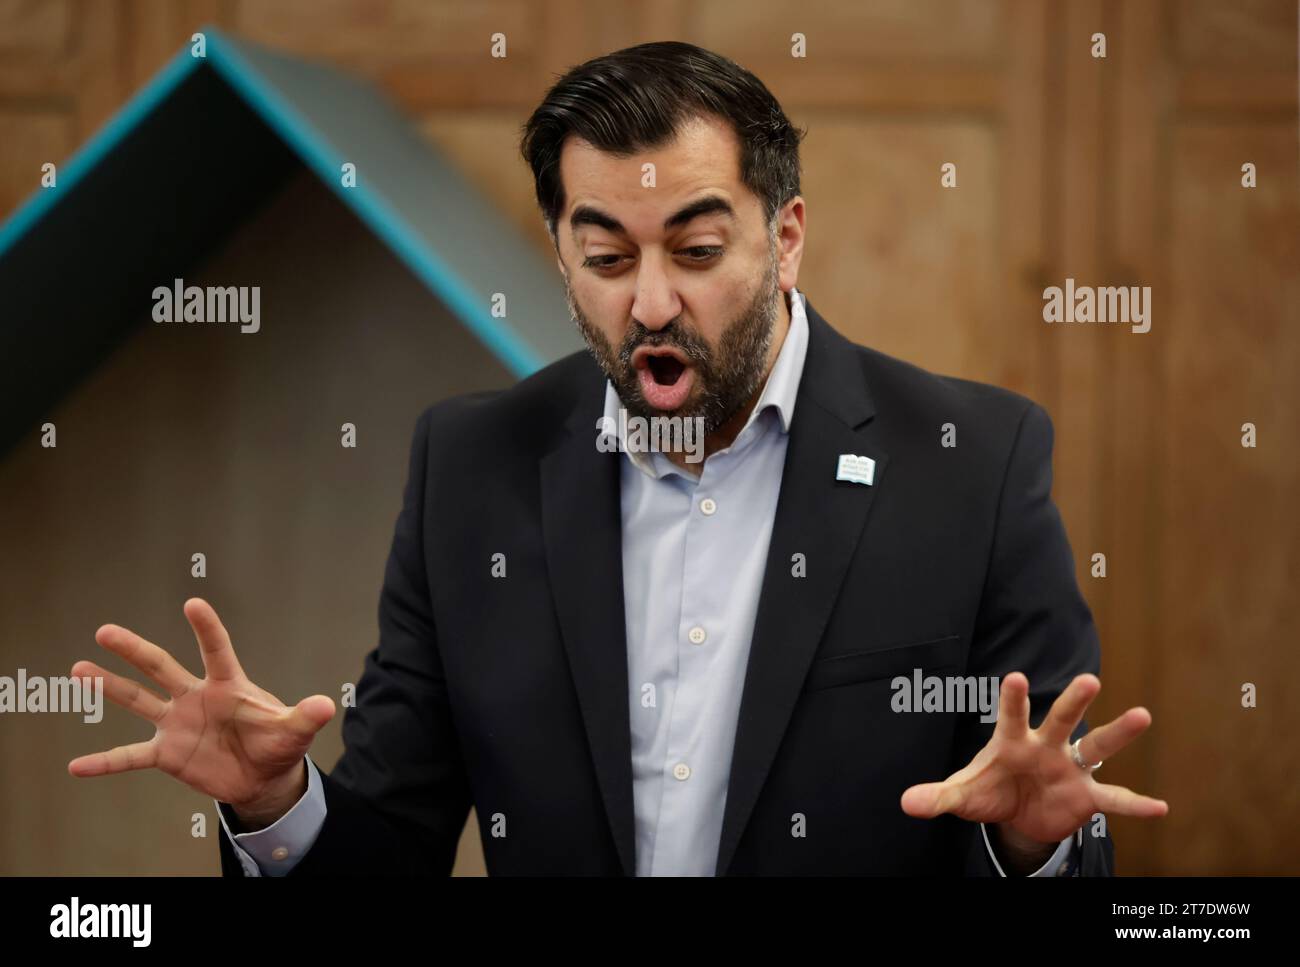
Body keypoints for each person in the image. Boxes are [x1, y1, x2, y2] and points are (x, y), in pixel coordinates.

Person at [68, 41, 1166, 876]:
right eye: (604, 256)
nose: (648, 302)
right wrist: (275, 805)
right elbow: (385, 847)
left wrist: (1032, 850)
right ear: (559, 253)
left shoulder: (971, 460)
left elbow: (1050, 810)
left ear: (784, 238)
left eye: (695, 251)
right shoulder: (472, 466)